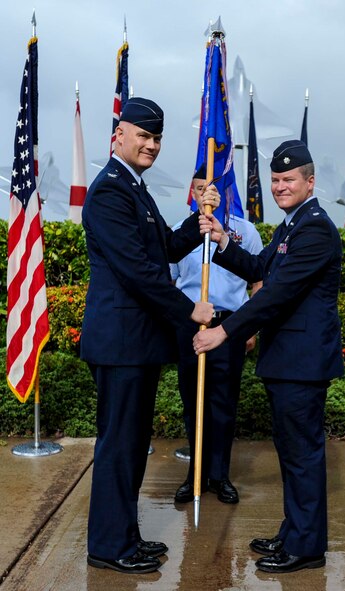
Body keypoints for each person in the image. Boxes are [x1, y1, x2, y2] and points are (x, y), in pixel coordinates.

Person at [80, 97, 219, 575]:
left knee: (132, 444)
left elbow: (160, 249)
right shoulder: (109, 192)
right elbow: (139, 272)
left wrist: (196, 220)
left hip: (135, 343)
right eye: (143, 135)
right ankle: (107, 545)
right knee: (119, 445)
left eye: (157, 138)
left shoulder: (135, 189)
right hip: (120, 344)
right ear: (118, 134)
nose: (151, 144)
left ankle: (125, 537)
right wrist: (189, 310)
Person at [193, 140, 344, 574]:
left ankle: (307, 547)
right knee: (292, 452)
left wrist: (225, 329)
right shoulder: (292, 225)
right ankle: (294, 531)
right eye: (275, 180)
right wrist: (222, 242)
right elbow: (262, 267)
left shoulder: (314, 229)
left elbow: (276, 295)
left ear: (309, 182)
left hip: (301, 363)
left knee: (302, 454)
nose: (280, 186)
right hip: (289, 361)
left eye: (288, 179)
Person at [172, 164, 263, 504]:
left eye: (211, 188)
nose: (205, 195)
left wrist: (249, 327)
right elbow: (169, 281)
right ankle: (194, 474)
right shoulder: (180, 233)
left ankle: (219, 475)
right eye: (198, 189)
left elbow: (258, 281)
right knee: (192, 404)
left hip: (229, 329)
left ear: (225, 192)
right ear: (192, 193)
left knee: (223, 406)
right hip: (191, 329)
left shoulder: (244, 232)